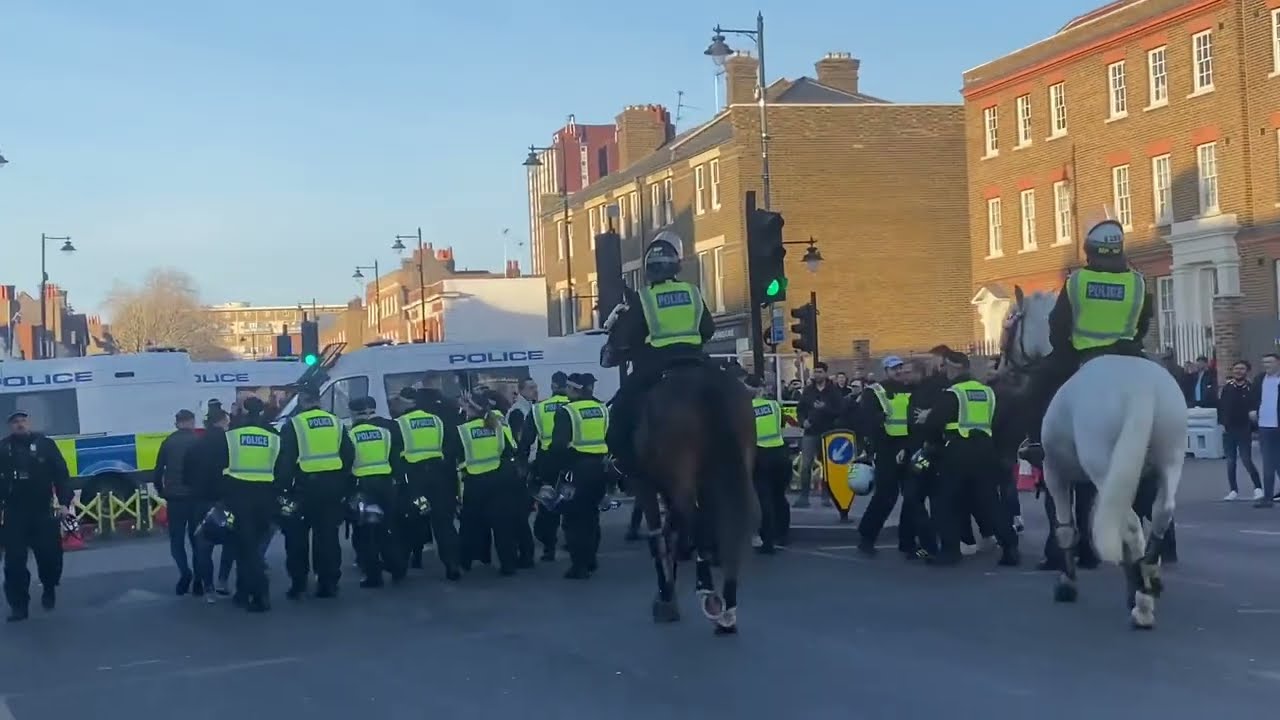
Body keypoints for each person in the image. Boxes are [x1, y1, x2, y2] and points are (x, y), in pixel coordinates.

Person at [1020, 217, 1153, 464]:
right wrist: (1132, 341)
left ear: (1089, 251)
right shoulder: (1138, 282)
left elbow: (1058, 323)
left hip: (1082, 355)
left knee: (1037, 386)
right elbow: (1144, 322)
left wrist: (1063, 348)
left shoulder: (1078, 281)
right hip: (1129, 355)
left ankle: (1036, 443)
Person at [604, 231, 717, 479]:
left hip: (657, 366)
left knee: (621, 408)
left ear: (649, 269)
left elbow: (628, 335)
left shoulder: (645, 297)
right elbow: (708, 329)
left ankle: (622, 461)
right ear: (676, 265)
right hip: (697, 363)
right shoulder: (693, 291)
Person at [919, 351, 1019, 567]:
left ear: (956, 367)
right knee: (991, 503)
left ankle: (950, 551)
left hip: (957, 452)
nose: (945, 371)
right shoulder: (987, 392)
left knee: (945, 502)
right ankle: (1010, 546)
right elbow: (1001, 423)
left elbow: (933, 424)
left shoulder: (954, 393)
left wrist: (933, 444)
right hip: (986, 452)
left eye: (946, 367)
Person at [277, 385, 354, 599]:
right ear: (318, 400)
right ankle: (328, 583)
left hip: (302, 489)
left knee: (296, 538)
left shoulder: (295, 424)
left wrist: (282, 488)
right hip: (332, 489)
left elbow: (285, 460)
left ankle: (299, 583)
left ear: (302, 400)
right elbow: (348, 454)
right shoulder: (336, 422)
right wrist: (341, 480)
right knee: (327, 537)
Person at [854, 355, 933, 559]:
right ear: (885, 371)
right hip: (887, 450)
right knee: (885, 496)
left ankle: (907, 543)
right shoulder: (875, 392)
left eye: (900, 368)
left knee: (912, 498)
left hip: (910, 448)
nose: (898, 372)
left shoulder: (914, 389)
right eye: (893, 368)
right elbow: (866, 421)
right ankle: (867, 537)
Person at [0, 410, 73, 622]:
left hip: (42, 509)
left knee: (49, 556)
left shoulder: (45, 445)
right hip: (15, 512)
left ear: (28, 423)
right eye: (15, 422)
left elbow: (61, 474)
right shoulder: (3, 448)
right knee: (14, 561)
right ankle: (19, 606)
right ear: (9, 426)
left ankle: (49, 587)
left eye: (22, 421)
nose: (19, 425)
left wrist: (64, 503)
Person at [215, 408, 283, 613]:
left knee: (246, 549)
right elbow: (281, 470)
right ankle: (243, 592)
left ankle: (260, 594)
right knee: (252, 548)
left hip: (239, 498)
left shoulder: (231, 437)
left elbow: (220, 467)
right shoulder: (273, 438)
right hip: (265, 499)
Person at [545, 373, 610, 578]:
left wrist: (554, 472)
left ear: (573, 390)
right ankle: (591, 559)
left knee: (573, 519)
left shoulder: (567, 411)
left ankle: (579, 566)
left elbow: (557, 446)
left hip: (575, 471)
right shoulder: (602, 408)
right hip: (600, 469)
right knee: (592, 516)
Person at [398, 388, 462, 580]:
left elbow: (396, 452)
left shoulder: (400, 423)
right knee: (444, 522)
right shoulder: (436, 421)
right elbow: (449, 446)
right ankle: (452, 564)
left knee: (417, 516)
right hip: (439, 477)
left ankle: (413, 557)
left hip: (416, 481)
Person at [457, 390, 522, 576]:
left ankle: (466, 562)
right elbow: (508, 451)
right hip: (499, 480)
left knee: (470, 525)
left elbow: (457, 456)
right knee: (503, 526)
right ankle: (508, 565)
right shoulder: (497, 425)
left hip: (475, 482)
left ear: (471, 409)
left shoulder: (463, 430)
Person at [347, 396, 408, 588]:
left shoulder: (351, 435)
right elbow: (396, 459)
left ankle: (373, 576)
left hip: (363, 487)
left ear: (354, 414)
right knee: (387, 529)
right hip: (386, 485)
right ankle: (398, 569)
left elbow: (347, 463)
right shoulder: (385, 433)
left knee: (367, 533)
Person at [519, 371, 570, 561]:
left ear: (553, 386)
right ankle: (574, 541)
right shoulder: (575, 405)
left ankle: (549, 546)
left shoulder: (539, 409)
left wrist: (523, 464)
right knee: (572, 500)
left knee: (549, 503)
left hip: (547, 462)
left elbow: (526, 440)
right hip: (573, 459)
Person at [152, 409, 203, 596]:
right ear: (191, 422)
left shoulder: (168, 442)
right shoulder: (198, 441)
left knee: (177, 541)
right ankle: (199, 580)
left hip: (174, 498)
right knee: (197, 540)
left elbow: (157, 472)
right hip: (195, 497)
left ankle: (184, 572)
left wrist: (162, 491)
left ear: (177, 423)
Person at [746, 375, 790, 553]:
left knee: (764, 498)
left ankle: (768, 540)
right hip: (780, 453)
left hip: (760, 454)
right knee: (779, 496)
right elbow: (781, 424)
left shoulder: (746, 409)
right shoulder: (774, 405)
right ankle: (783, 533)